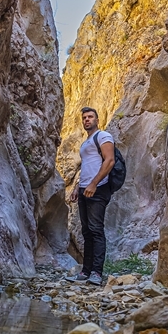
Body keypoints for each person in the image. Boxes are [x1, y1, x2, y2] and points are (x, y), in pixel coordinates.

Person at [69, 106, 115, 286]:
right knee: (86, 232)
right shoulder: (85, 143)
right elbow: (86, 167)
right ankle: (85, 271)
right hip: (84, 189)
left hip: (98, 188)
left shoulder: (103, 136)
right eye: (84, 118)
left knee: (96, 230)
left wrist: (94, 184)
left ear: (97, 119)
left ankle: (96, 272)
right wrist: (76, 188)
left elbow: (109, 161)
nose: (87, 120)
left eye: (90, 117)